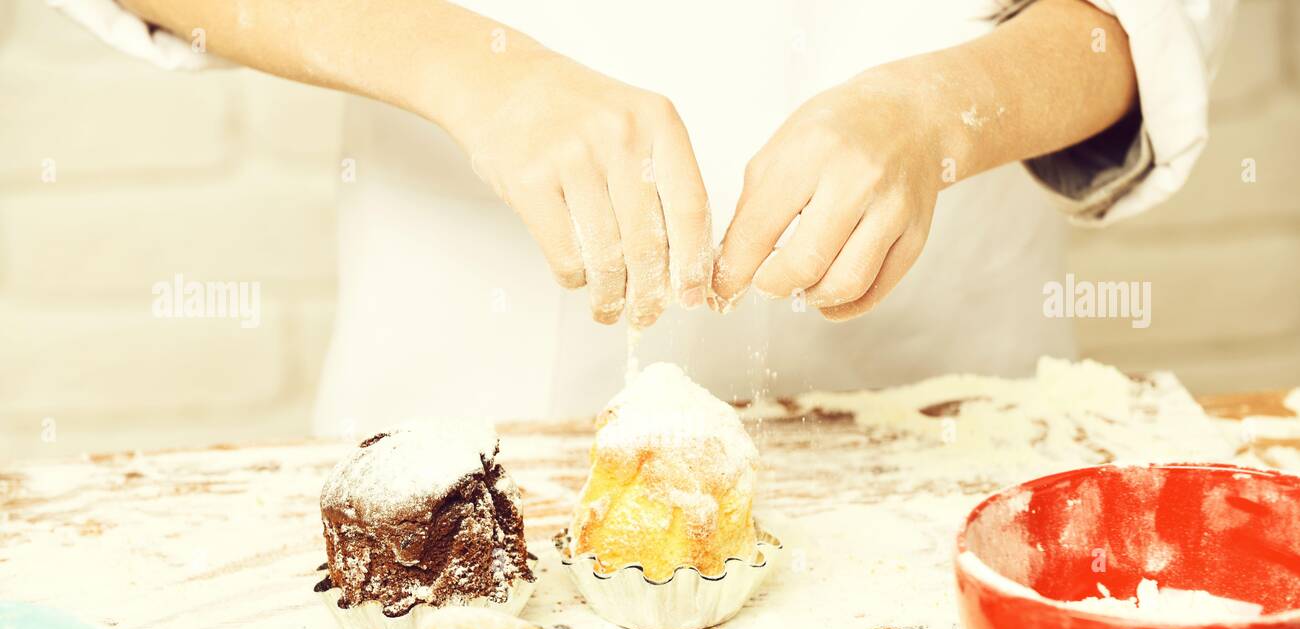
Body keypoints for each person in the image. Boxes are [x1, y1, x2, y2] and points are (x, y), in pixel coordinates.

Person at [52, 0, 1235, 432]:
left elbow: (1150, 20)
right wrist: (474, 64)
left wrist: (943, 107)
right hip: (473, 404)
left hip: (932, 406)